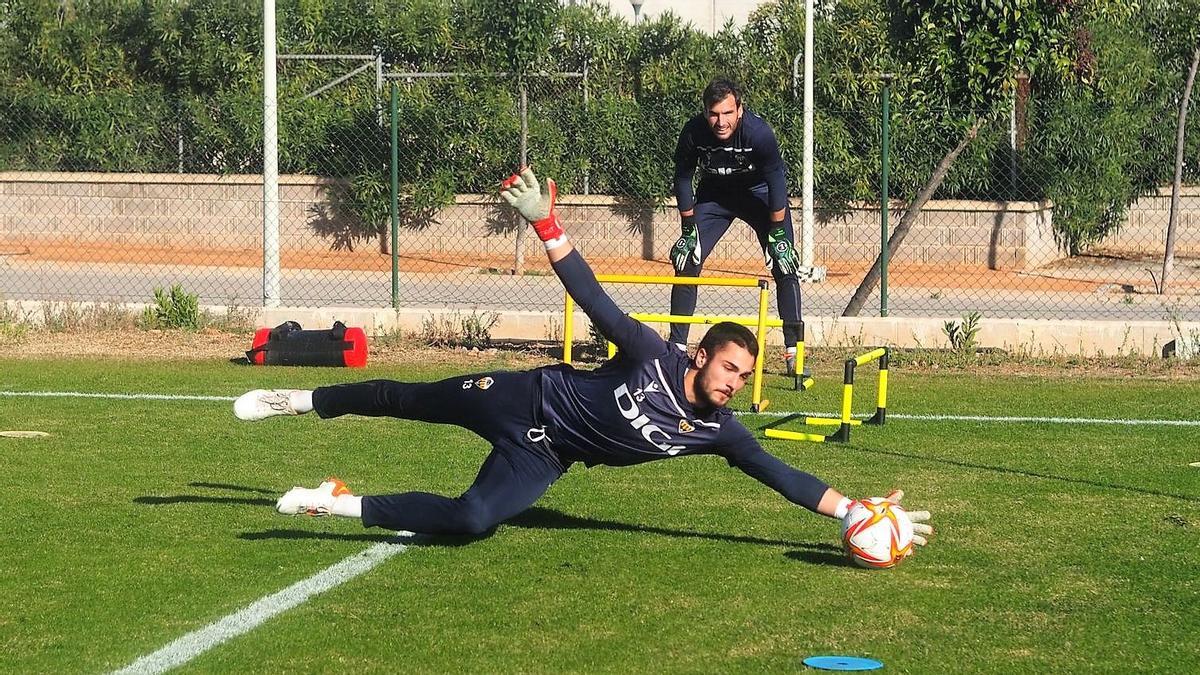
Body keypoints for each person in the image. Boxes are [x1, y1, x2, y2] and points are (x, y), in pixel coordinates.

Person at [233, 167, 932, 552]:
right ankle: (299, 400)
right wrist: (546, 224)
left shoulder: (719, 431)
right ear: (699, 356)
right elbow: (595, 300)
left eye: (744, 376)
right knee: (409, 399)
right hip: (523, 398)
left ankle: (337, 504)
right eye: (728, 368)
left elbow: (784, 475)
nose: (734, 382)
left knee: (473, 521)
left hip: (544, 456)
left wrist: (852, 512)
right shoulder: (653, 354)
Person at [670, 78, 806, 375]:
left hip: (759, 194)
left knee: (785, 264)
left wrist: (779, 234)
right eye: (714, 114)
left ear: (740, 110)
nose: (721, 122)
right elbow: (682, 177)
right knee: (688, 261)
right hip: (715, 196)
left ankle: (794, 352)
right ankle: (676, 349)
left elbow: (776, 180)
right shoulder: (693, 132)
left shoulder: (758, 133)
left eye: (728, 113)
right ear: (705, 112)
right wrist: (688, 228)